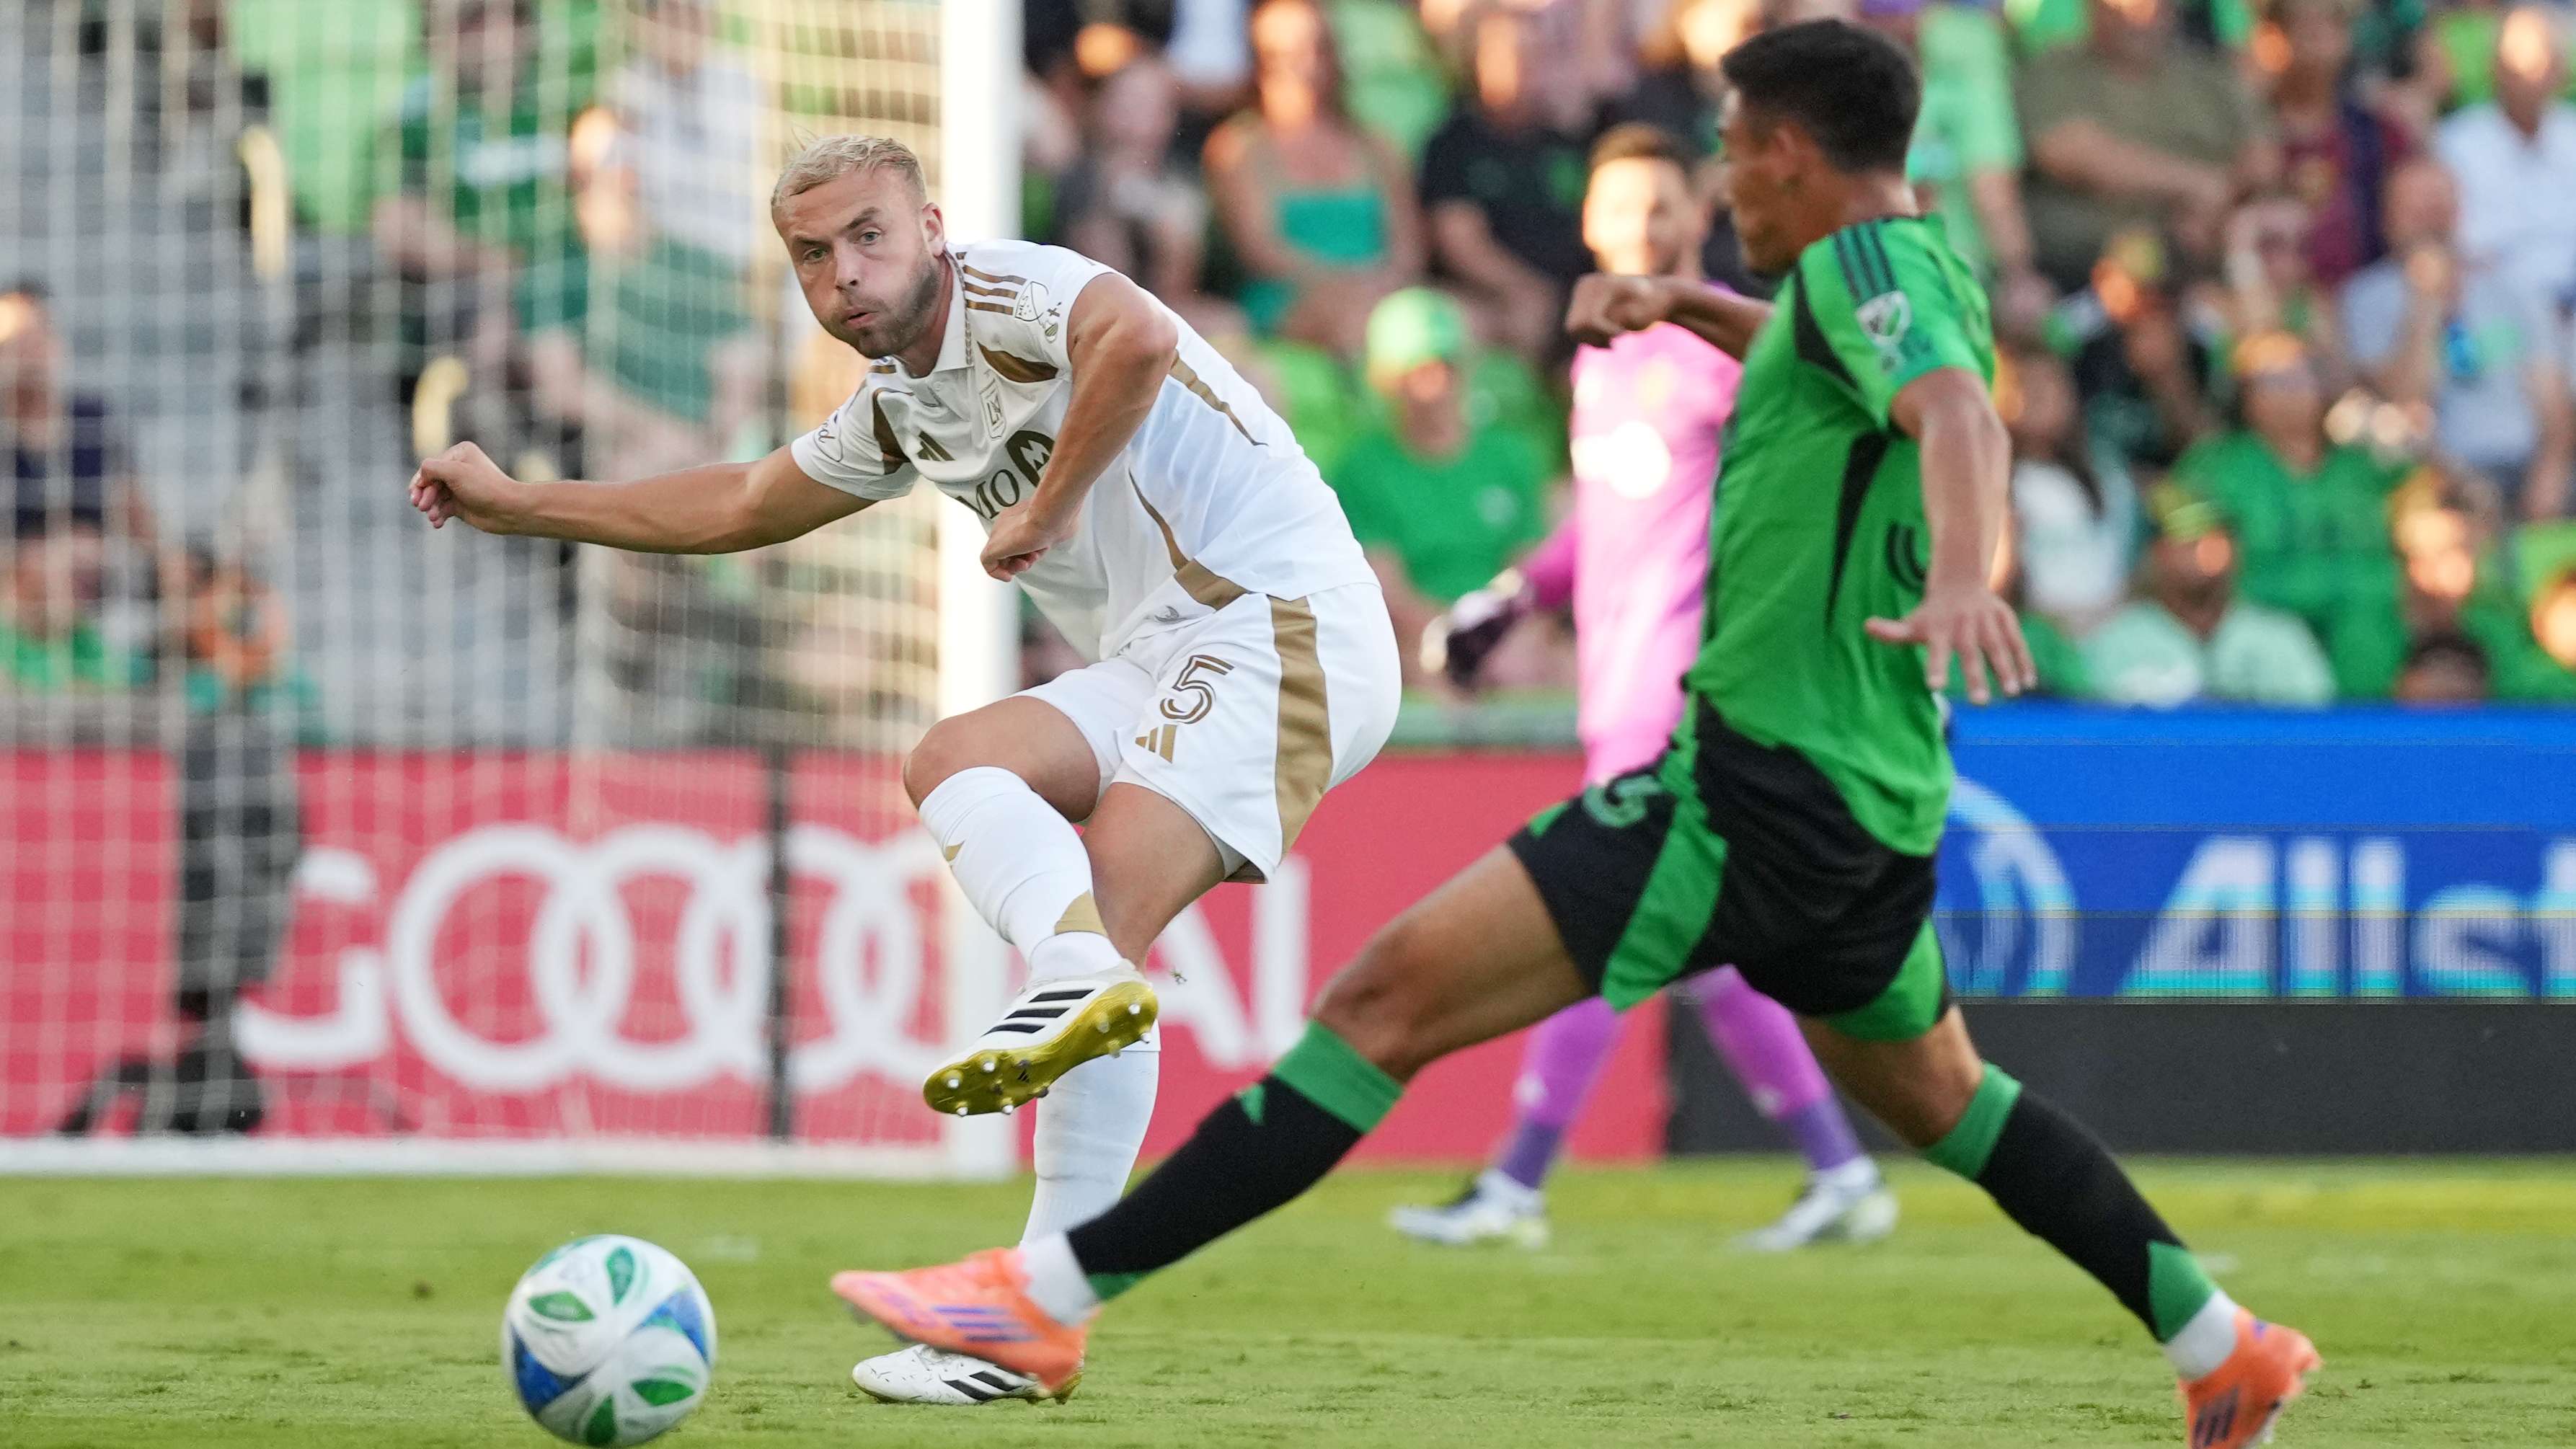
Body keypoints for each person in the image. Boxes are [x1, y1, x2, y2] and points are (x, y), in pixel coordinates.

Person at [831, 25, 2322, 1449]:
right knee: (1951, 1102)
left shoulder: (1862, 265)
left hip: (1746, 789)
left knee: (1379, 1005)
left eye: (1731, 153)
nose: (1720, 187)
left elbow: (1954, 416)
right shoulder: (1898, 272)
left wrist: (1957, 578)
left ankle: (1042, 1302)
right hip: (1872, 801)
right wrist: (1683, 306)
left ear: (1791, 152)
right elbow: (1848, 366)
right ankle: (2221, 1342)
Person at [406, 136, 1400, 1406]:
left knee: (1105, 918)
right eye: (814, 255)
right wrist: (521, 503)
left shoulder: (1016, 289)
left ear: (930, 227)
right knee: (955, 763)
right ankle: (1047, 1208)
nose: (846, 273)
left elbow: (1139, 339)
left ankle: (1030, 1313)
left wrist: (1046, 507)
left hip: (1282, 621)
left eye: (868, 236)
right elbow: (741, 504)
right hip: (1170, 650)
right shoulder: (898, 406)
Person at [1388, 123, 1896, 1254]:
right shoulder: (1602, 359)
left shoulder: (1730, 352)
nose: (1642, 225)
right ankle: (1842, 1171)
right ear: (1590, 222)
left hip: (1687, 695)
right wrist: (1509, 597)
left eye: (1662, 203)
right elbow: (1604, 520)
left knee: (1600, 924)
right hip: (1614, 689)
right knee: (1696, 955)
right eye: (1622, 205)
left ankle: (1516, 1183)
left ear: (1699, 214)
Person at [1327, 288, 1559, 683]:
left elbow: (1529, 569)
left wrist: (1494, 637)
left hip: (1506, 638)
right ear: (1388, 381)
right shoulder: (1361, 469)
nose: (1439, 385)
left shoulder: (1511, 456)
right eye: (1418, 372)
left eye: (1448, 366)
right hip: (1413, 643)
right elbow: (1386, 591)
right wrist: (1456, 642)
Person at [2169, 332, 2412, 694]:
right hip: (2263, 617)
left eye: (2298, 378)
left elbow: (2431, 485)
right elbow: (2179, 549)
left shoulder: (2367, 465)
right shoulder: (2213, 465)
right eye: (2270, 382)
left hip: (2365, 622)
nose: (2287, 392)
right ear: (2244, 396)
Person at [2346, 158, 2576, 521]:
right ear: (2388, 220)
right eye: (2417, 211)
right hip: (2436, 481)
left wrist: (2550, 476)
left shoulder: (2511, 289)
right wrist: (2425, 305)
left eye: (2438, 207)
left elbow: (2553, 397)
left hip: (2526, 467)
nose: (2430, 222)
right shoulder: (2368, 299)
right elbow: (2401, 402)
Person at [1204, 0, 1426, 354]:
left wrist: (1378, 284)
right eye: (1285, 55)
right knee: (1363, 325)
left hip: (1380, 293)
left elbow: (1407, 248)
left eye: (1316, 50)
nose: (1305, 65)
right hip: (1288, 296)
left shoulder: (1374, 147)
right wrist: (1344, 282)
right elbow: (1260, 250)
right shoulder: (1239, 148)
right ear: (1259, 63)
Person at [2017, 0, 2273, 291]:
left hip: (2201, 269)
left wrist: (2219, 206)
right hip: (2081, 272)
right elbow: (2065, 150)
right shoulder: (2056, 70)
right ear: (2094, 9)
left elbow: (2262, 159)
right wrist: (2196, 184)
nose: (2138, 18)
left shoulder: (2209, 77)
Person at [1418, 1, 1598, 359]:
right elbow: (1460, 242)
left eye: (1535, 54)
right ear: (1476, 63)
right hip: (1496, 296)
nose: (1525, 66)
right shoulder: (1453, 144)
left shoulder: (1568, 142)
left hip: (1577, 292)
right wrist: (1523, 288)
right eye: (1512, 55)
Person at [2081, 492, 2338, 704]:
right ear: (2155, 553)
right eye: (2183, 541)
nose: (2198, 553)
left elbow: (2319, 728)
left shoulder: (2280, 637)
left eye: (2213, 540)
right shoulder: (2116, 642)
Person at [2435, 6, 2576, 307]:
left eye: (2538, 63)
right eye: (2516, 63)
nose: (2526, 77)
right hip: (2491, 305)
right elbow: (2453, 242)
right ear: (2495, 69)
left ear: (2559, 71)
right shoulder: (2456, 142)